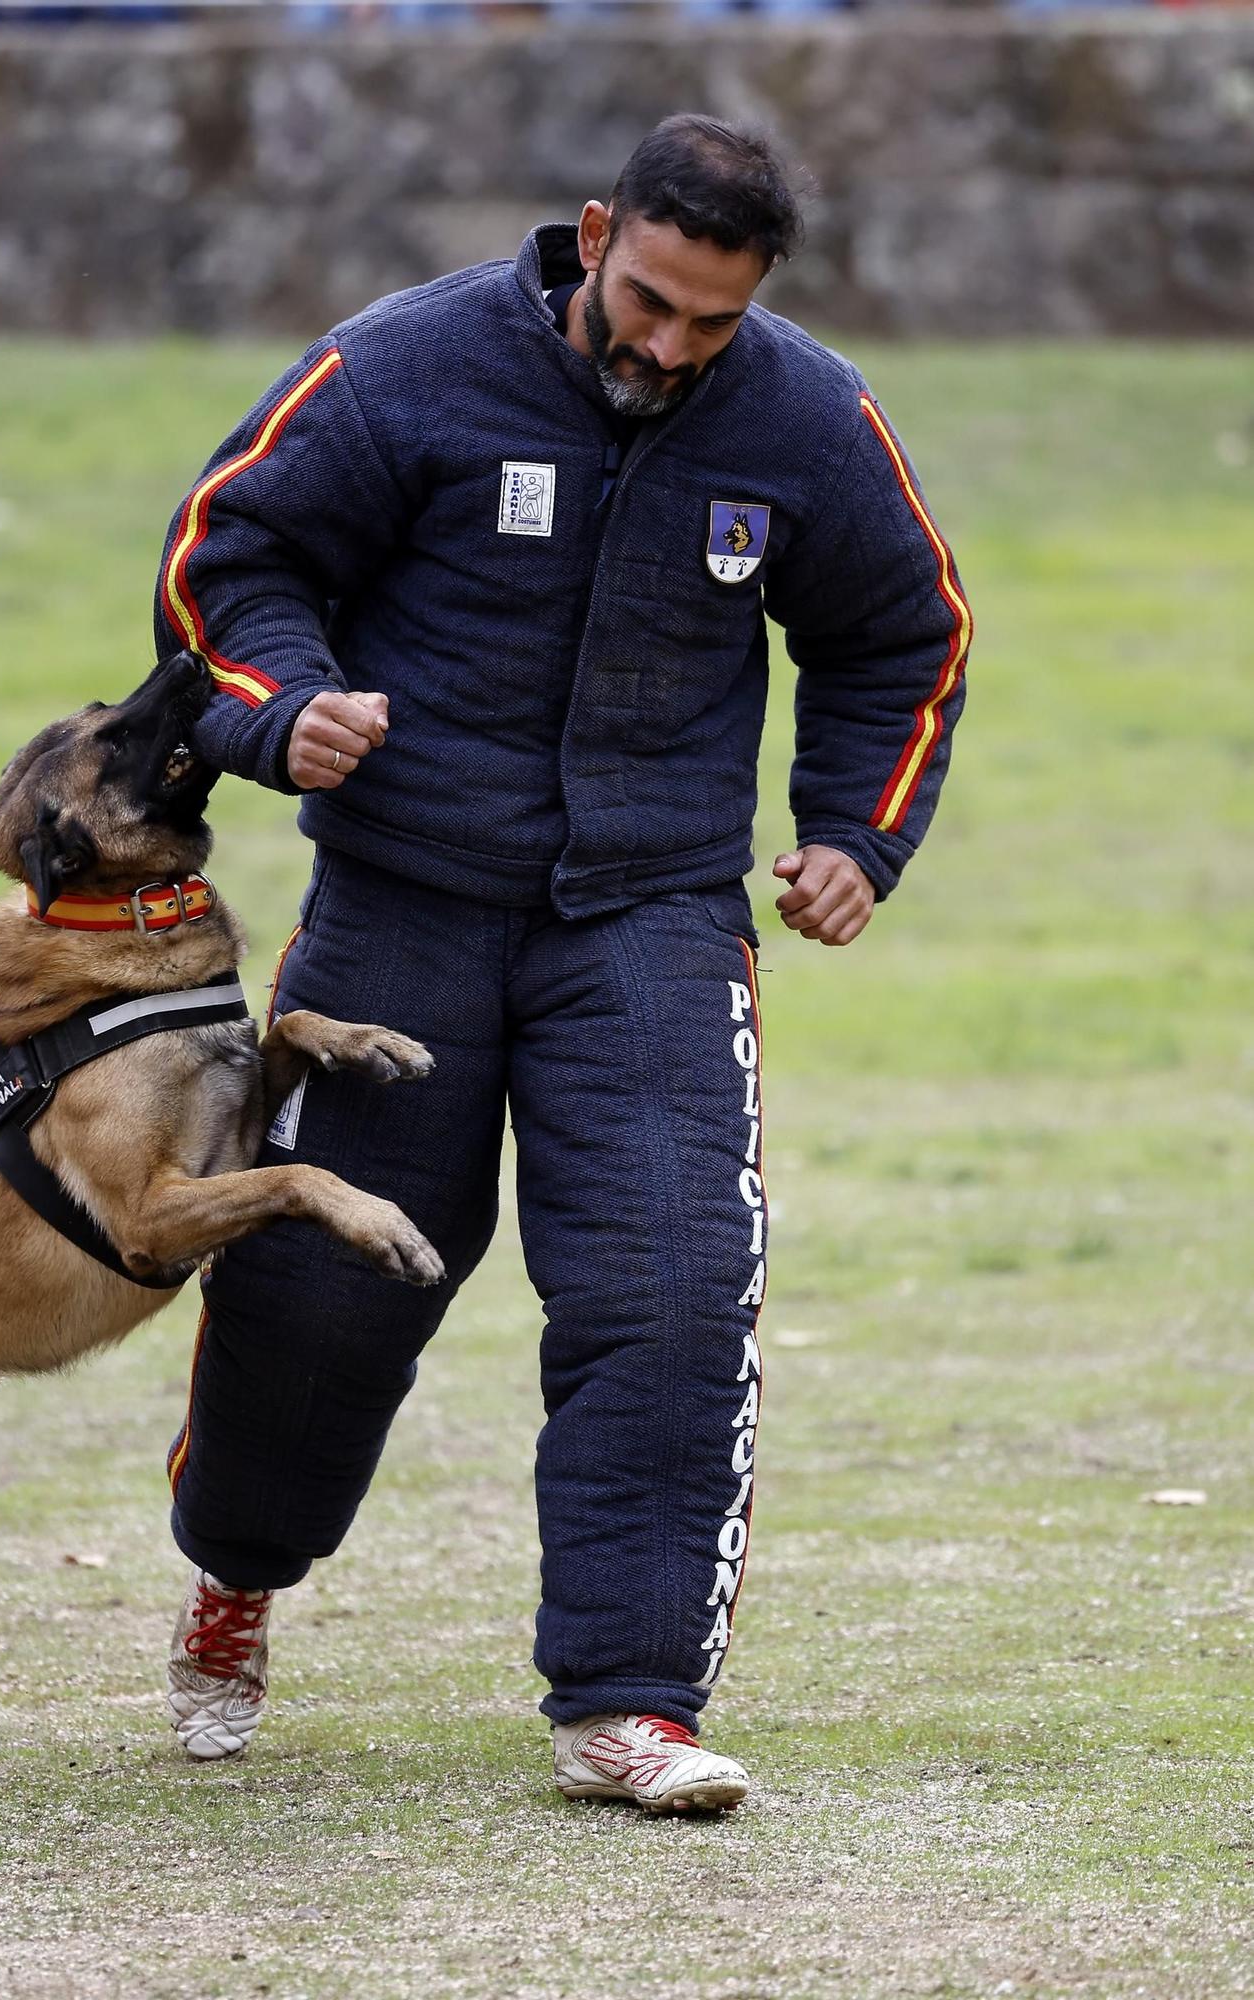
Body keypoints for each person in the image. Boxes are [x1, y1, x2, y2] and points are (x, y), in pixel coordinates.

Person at [151, 114, 970, 1813]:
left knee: (670, 1294)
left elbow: (906, 630)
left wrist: (854, 834)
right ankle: (236, 1573)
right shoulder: (401, 368)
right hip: (399, 909)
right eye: (652, 300)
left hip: (656, 917)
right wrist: (288, 710)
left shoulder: (806, 416)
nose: (671, 348)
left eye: (710, 325)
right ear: (598, 235)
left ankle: (630, 1705)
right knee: (315, 1299)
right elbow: (226, 561)